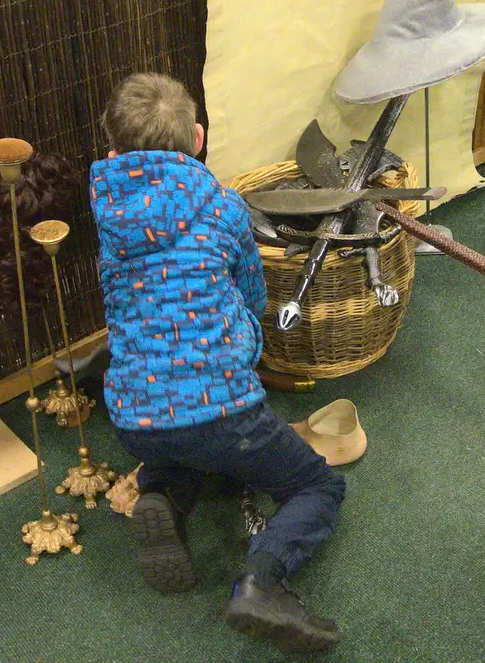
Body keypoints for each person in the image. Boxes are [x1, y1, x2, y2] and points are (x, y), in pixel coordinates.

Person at [92, 73, 346, 654]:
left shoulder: (108, 212)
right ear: (198, 138)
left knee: (179, 449)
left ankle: (162, 494)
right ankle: (263, 580)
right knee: (317, 485)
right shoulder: (226, 208)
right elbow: (252, 297)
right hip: (220, 410)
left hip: (134, 416)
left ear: (112, 151)